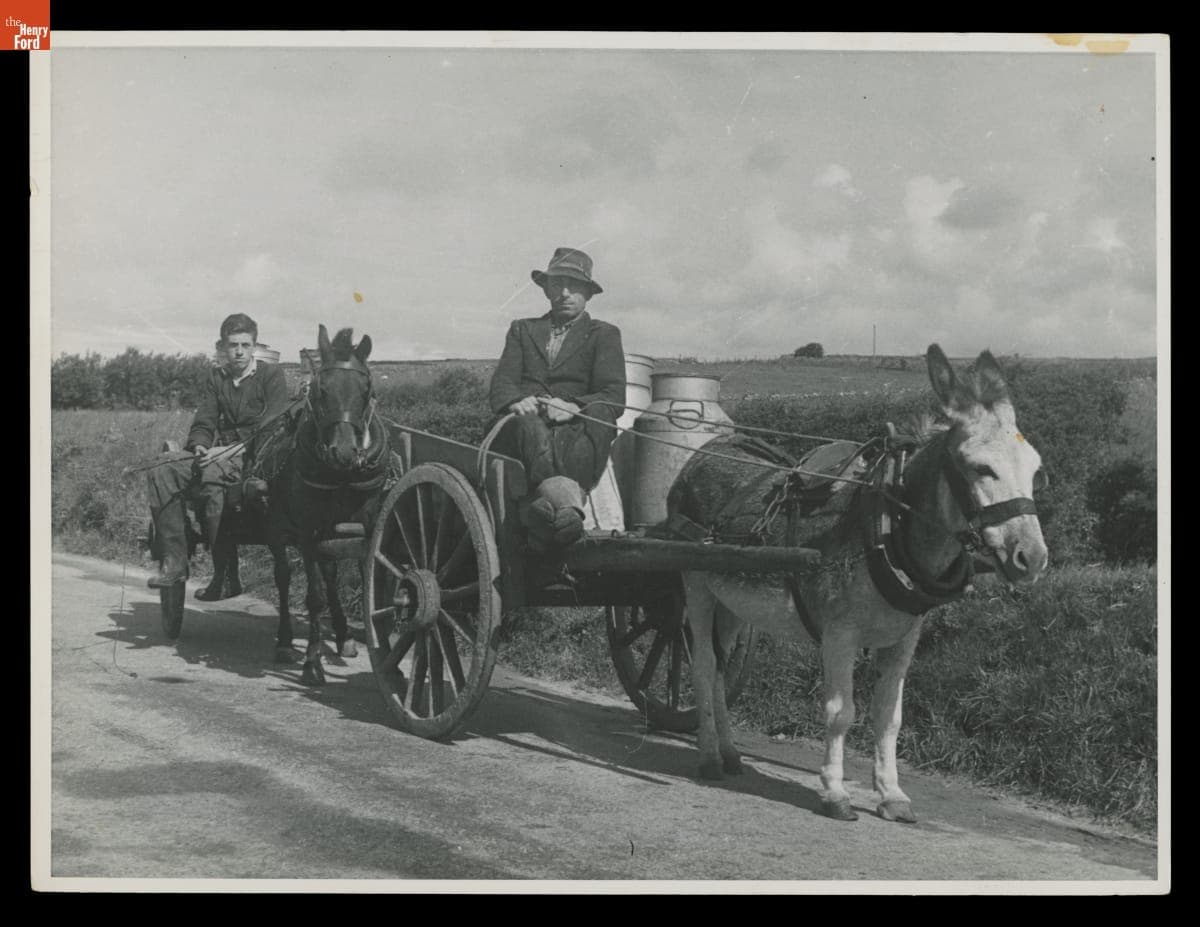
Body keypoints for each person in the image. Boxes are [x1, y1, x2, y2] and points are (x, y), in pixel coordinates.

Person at [489, 247, 626, 549]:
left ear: (588, 293)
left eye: (574, 286)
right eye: (557, 285)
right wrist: (516, 401)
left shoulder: (604, 335)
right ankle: (563, 510)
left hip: (576, 431)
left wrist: (574, 406)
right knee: (527, 424)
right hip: (525, 431)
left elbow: (614, 394)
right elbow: (501, 384)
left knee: (602, 413)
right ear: (547, 290)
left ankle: (552, 509)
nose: (565, 293)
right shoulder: (523, 330)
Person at [146, 313, 290, 596]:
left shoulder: (271, 376)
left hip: (256, 458)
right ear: (223, 347)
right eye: (232, 345)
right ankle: (174, 562)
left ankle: (225, 576)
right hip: (216, 454)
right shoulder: (218, 378)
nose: (238, 352)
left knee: (211, 479)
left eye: (245, 345)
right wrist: (199, 445)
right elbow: (205, 420)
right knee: (162, 470)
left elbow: (274, 426)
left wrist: (228, 450)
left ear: (254, 346)